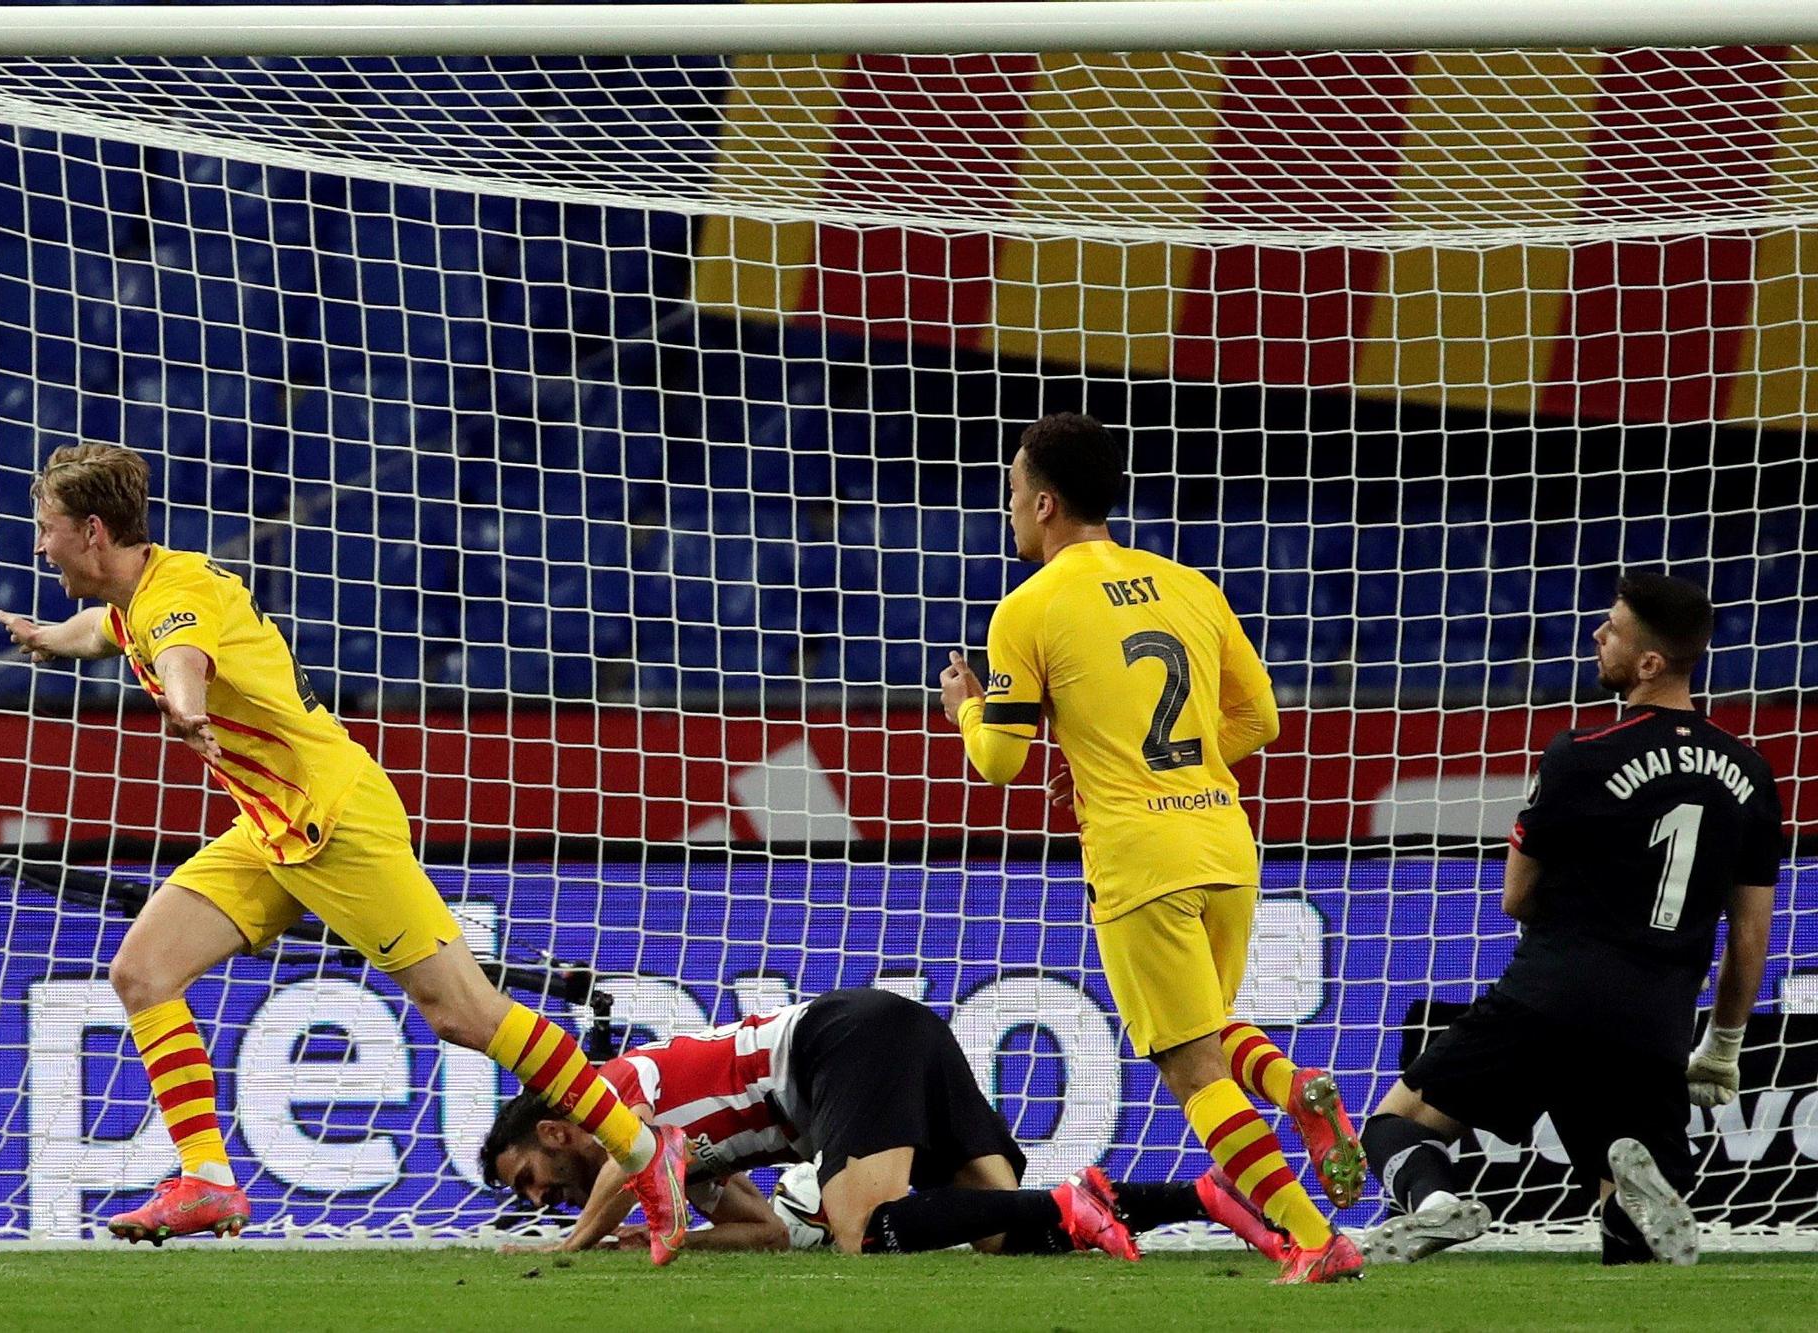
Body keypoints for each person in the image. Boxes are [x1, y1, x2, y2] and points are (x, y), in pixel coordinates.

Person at [0, 444, 688, 1256]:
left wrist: (185, 708)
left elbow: (182, 657)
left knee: (464, 1013)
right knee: (141, 973)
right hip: (270, 828)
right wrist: (49, 636)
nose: (40, 548)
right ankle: (207, 1176)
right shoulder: (138, 592)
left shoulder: (174, 597)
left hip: (334, 820)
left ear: (92, 531)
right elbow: (105, 633)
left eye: (46, 531)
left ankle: (645, 1151)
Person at [938, 413, 1363, 1284]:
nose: (1008, 505)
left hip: (1140, 856)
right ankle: (1293, 1089)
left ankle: (1314, 1236)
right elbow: (1262, 720)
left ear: (1047, 503)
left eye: (1014, 490)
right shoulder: (1187, 583)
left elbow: (1001, 762)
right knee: (1206, 1028)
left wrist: (965, 710)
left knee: (1189, 1065)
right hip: (1224, 837)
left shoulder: (1028, 608)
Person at [1361, 572, 1783, 1266]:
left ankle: (1435, 1203)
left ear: (1649, 662)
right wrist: (1724, 1045)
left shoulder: (1579, 755)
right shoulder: (1750, 773)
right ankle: (1629, 1199)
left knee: (1397, 1123)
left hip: (1550, 993)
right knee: (1634, 1239)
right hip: (1655, 1017)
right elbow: (1750, 933)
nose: (1597, 633)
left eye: (1612, 628)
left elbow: (1516, 898)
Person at [483, 987, 1297, 1261]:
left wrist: (576, 1244)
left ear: (556, 1131)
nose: (544, 1197)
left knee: (861, 1231)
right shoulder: (674, 1156)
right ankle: (1204, 1196)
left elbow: (630, 1164)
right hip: (889, 1034)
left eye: (529, 1177)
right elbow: (766, 1231)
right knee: (998, 1232)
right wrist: (679, 1238)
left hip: (842, 1043)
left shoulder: (612, 1093)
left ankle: (1067, 1202)